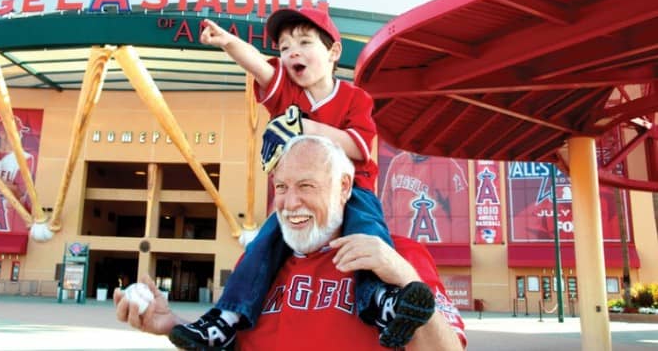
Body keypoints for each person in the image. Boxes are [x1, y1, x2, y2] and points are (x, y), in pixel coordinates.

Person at [169, 6, 407, 349]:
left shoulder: (355, 97)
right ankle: (226, 319)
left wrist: (302, 126)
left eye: (305, 42)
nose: (292, 51)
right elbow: (258, 65)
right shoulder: (288, 93)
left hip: (351, 191)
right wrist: (226, 42)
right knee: (263, 244)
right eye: (284, 47)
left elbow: (358, 149)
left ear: (333, 52)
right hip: (302, 196)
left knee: (367, 231)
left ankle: (380, 299)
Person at [115, 135, 467, 350]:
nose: (289, 202)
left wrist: (405, 278)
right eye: (281, 187)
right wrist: (171, 325)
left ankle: (387, 303)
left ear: (344, 187)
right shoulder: (256, 265)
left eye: (306, 186)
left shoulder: (399, 254)